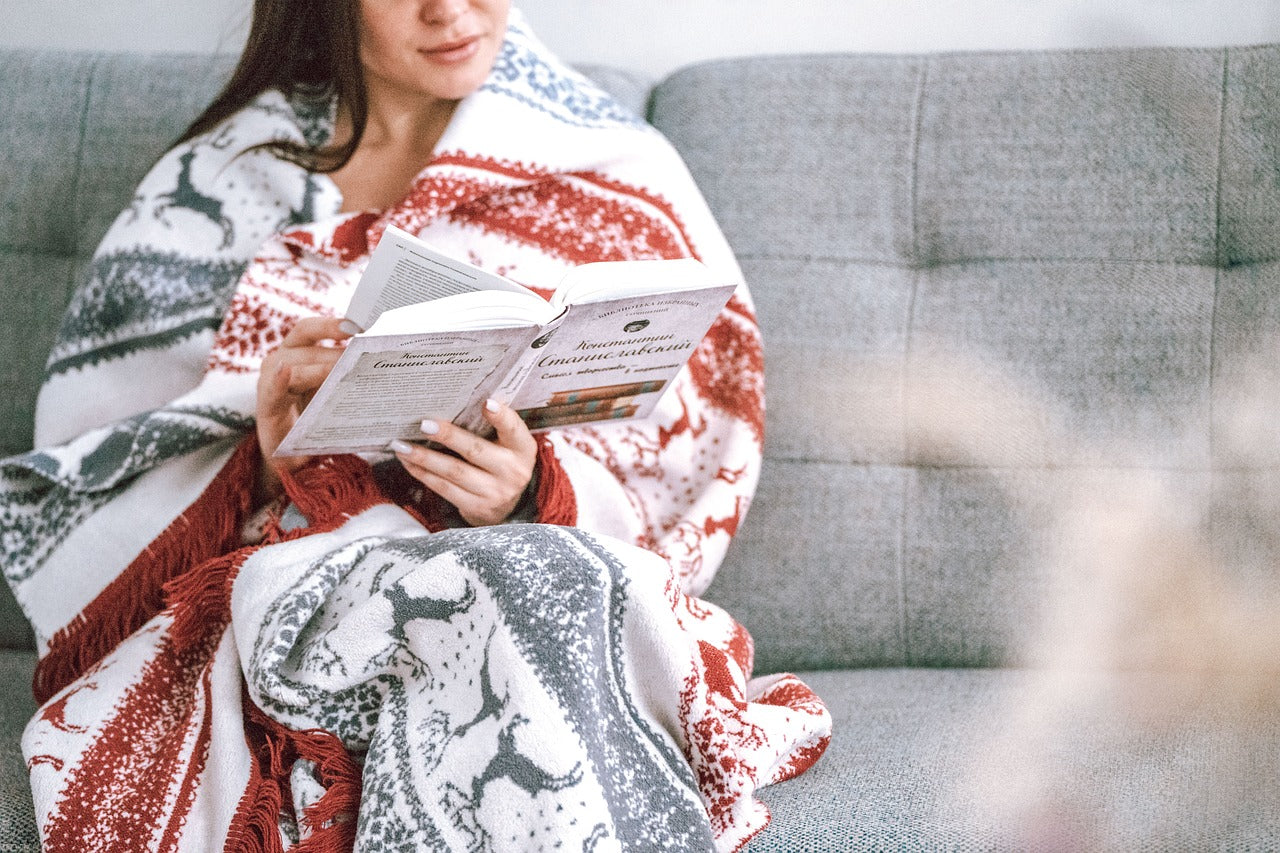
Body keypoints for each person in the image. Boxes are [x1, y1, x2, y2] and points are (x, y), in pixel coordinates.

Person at [1, 1, 831, 850]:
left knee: (527, 577)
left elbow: (688, 451)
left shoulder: (617, 168)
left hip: (536, 571)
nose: (451, 10)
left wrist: (530, 487)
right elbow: (95, 458)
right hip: (293, 578)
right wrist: (260, 454)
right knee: (462, 599)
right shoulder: (219, 180)